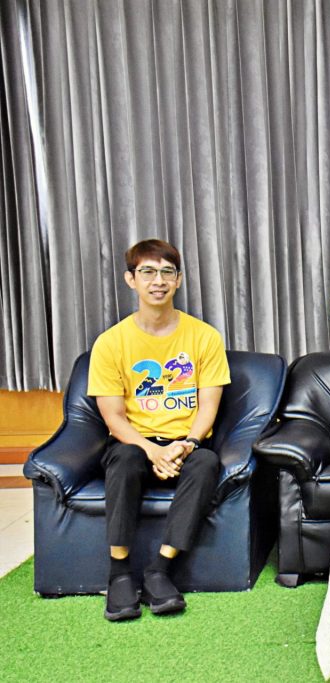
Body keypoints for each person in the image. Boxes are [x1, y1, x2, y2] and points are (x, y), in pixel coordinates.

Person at [88, 239, 230, 621]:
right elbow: (114, 418)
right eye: (147, 272)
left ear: (179, 280)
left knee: (207, 462)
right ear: (130, 279)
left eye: (167, 272)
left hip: (185, 444)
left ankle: (160, 570)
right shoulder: (110, 343)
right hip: (135, 443)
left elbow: (208, 406)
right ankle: (119, 573)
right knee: (124, 460)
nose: (158, 281)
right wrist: (152, 450)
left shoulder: (205, 337)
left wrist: (188, 444)